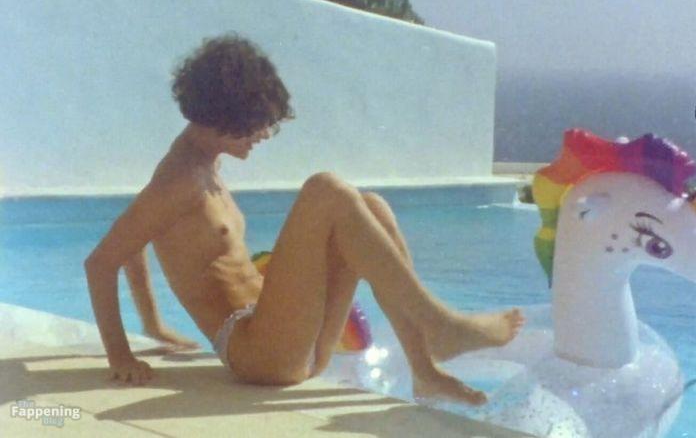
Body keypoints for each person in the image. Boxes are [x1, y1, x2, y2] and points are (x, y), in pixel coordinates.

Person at [84, 34, 524, 405]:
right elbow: (102, 261)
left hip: (293, 342)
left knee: (371, 206)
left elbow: (135, 240)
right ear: (222, 116)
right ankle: (440, 324)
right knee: (325, 189)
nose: (263, 135)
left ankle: (424, 369)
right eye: (255, 124)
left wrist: (153, 324)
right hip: (258, 354)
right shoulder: (179, 180)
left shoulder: (202, 166)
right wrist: (120, 355)